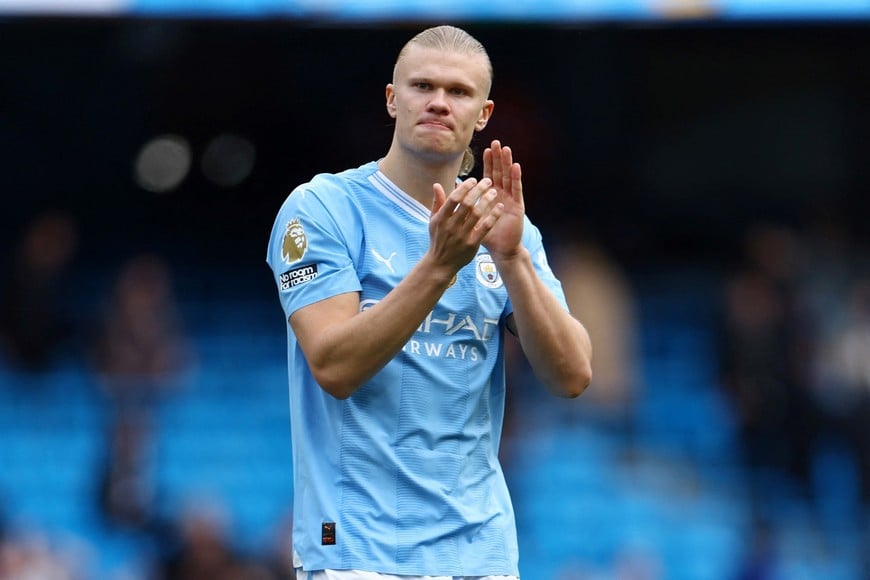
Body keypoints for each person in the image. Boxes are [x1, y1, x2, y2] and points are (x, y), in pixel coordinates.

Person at [266, 25, 592, 580]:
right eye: (422, 85)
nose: (439, 102)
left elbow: (572, 376)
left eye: (459, 92)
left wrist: (512, 260)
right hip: (357, 553)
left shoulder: (506, 228)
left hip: (482, 555)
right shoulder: (323, 209)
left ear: (484, 114)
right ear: (393, 99)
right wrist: (441, 265)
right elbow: (334, 366)